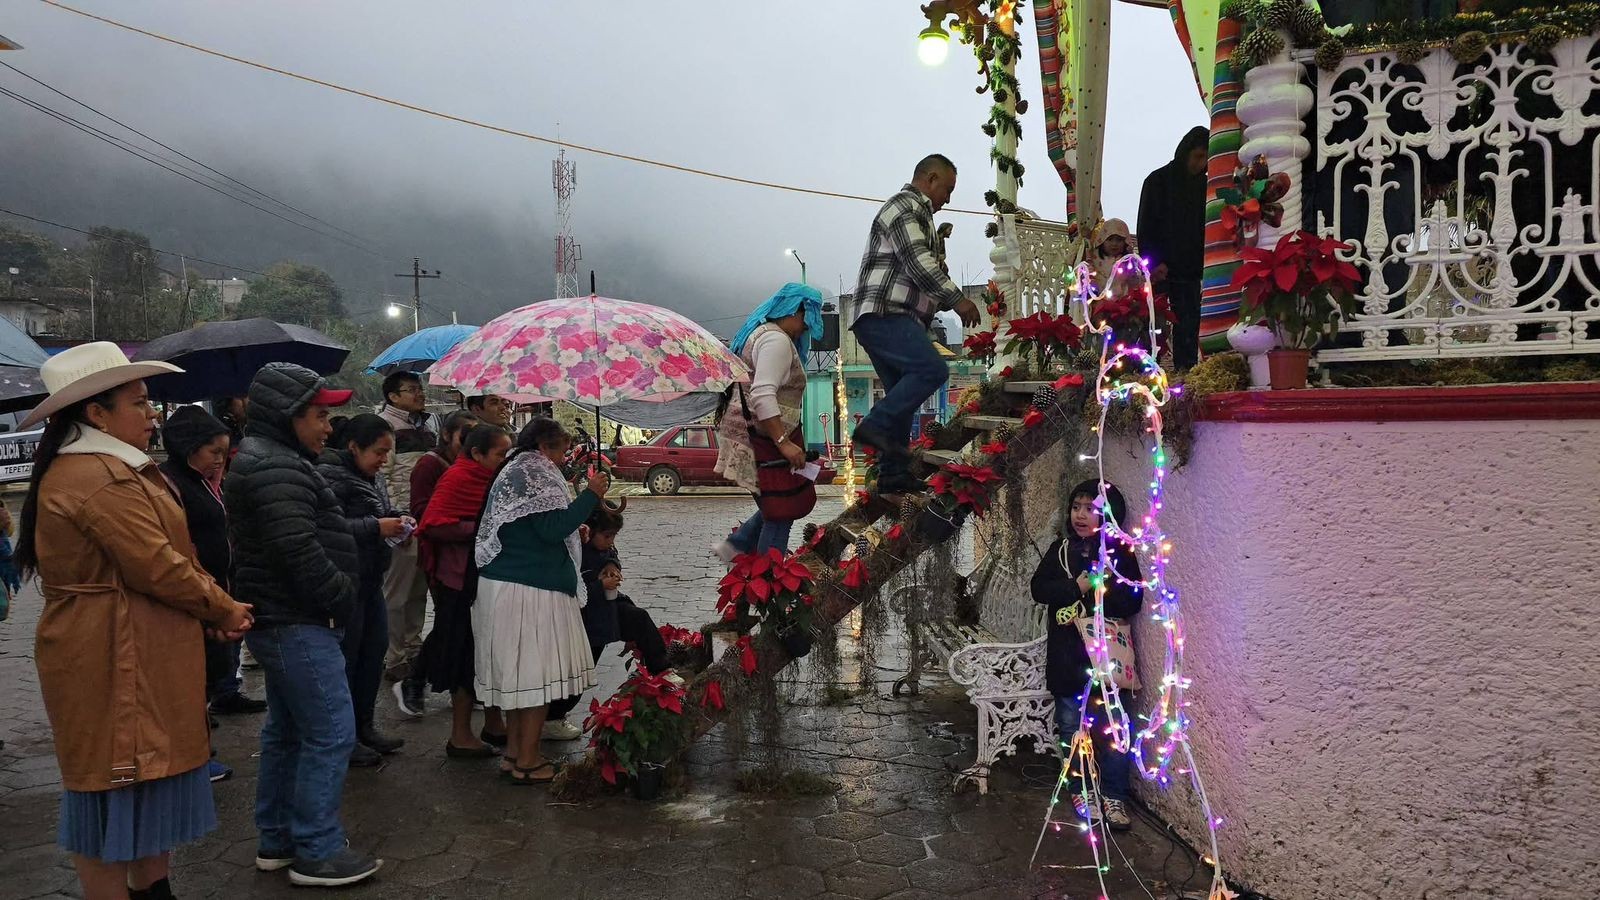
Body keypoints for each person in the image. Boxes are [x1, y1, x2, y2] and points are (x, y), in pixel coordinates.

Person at [15, 342, 253, 900]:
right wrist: (220, 607)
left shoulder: (106, 466)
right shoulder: (98, 475)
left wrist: (207, 610)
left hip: (132, 641)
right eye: (140, 403)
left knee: (143, 780)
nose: (152, 416)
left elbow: (168, 560)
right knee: (114, 780)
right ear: (96, 414)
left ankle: (151, 887)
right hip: (112, 650)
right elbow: (158, 565)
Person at [224, 362, 382, 888]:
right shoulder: (276, 466)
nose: (327, 427)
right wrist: (342, 595)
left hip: (287, 618)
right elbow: (298, 551)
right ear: (287, 416)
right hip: (297, 620)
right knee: (333, 731)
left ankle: (278, 839)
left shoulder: (278, 459)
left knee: (287, 732)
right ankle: (316, 849)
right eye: (318, 415)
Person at [473, 418, 608, 785]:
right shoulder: (536, 470)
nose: (564, 459)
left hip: (508, 585)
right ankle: (529, 761)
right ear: (545, 447)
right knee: (535, 679)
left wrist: (573, 523)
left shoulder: (516, 468)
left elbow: (541, 524)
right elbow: (550, 530)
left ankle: (515, 753)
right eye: (562, 450)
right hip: (528, 590)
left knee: (518, 681)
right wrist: (591, 494)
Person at [849, 154, 982, 496]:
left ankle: (893, 474)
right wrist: (958, 300)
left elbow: (923, 272)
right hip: (885, 313)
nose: (948, 199)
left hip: (889, 316)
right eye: (948, 189)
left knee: (902, 397)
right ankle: (873, 426)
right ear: (931, 179)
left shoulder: (920, 217)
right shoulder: (906, 206)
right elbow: (918, 264)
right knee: (931, 371)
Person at [1030, 479, 1144, 832]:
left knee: (1112, 730)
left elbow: (1133, 600)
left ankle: (1113, 794)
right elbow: (1040, 590)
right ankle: (1082, 790)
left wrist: (1100, 590)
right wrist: (1076, 587)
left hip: (1107, 660)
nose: (1080, 515)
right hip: (1068, 659)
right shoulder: (1060, 550)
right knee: (1071, 727)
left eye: (1090, 509)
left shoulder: (1120, 555)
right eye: (1076, 507)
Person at [407, 424, 512, 752]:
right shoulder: (458, 478)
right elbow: (433, 525)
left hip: (485, 578)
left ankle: (494, 724)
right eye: (499, 454)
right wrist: (481, 529)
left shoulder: (492, 481)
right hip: (459, 581)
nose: (504, 460)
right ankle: (460, 735)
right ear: (477, 453)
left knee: (491, 653)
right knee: (466, 654)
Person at [159, 407, 263, 726]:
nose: (220, 459)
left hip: (219, 586)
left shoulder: (202, 481)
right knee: (195, 675)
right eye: (213, 451)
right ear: (189, 446)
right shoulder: (168, 484)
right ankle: (196, 750)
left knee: (213, 666)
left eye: (223, 452)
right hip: (195, 595)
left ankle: (205, 727)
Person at [317, 414, 410, 768]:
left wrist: (397, 521)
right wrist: (376, 526)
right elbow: (326, 527)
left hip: (372, 579)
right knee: (348, 661)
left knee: (373, 655)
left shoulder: (370, 476)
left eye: (388, 452)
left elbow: (380, 511)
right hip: (345, 581)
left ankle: (365, 726)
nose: (384, 460)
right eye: (378, 452)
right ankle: (346, 737)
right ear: (354, 446)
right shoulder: (329, 475)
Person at [711, 282, 825, 562]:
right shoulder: (776, 341)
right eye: (806, 321)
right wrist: (784, 443)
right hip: (766, 439)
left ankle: (735, 546)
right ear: (796, 311)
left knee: (775, 501)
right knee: (781, 511)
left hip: (756, 435)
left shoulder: (760, 334)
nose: (805, 329)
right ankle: (769, 585)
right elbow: (763, 394)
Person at [546, 505, 669, 735]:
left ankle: (662, 673)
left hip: (609, 610)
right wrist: (599, 585)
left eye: (614, 536)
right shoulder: (574, 552)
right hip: (586, 620)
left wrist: (613, 566)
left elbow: (611, 554)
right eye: (607, 536)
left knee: (639, 619)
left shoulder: (603, 548)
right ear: (587, 532)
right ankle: (551, 717)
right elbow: (572, 589)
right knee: (579, 672)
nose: (611, 541)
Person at [393, 409, 477, 715]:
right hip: (442, 559)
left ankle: (463, 683)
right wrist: (468, 523)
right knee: (448, 624)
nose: (469, 442)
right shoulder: (430, 465)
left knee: (462, 625)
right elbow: (423, 512)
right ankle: (416, 680)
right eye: (463, 436)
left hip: (471, 559)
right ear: (446, 435)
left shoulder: (473, 465)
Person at [375, 372, 440, 690]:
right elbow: (381, 478)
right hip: (400, 522)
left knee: (418, 592)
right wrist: (392, 519)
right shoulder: (385, 428)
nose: (419, 394)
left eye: (420, 389)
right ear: (392, 396)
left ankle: (414, 651)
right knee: (396, 594)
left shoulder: (427, 426)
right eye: (411, 390)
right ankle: (394, 657)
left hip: (424, 520)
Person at [1138, 126, 1210, 371]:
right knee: (1154, 327)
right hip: (1162, 271)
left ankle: (1185, 376)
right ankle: (1148, 374)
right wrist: (1154, 262)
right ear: (1185, 152)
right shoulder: (1157, 181)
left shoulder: (1205, 187)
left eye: (1206, 159)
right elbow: (1146, 225)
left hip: (1190, 272)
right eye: (1198, 156)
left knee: (1188, 326)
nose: (1201, 164)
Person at [1088, 218, 1136, 293]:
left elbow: (1135, 282)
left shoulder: (1128, 261)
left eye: (1119, 240)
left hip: (1123, 301)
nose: (1114, 244)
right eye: (1110, 239)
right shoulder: (1094, 260)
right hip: (1098, 300)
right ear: (1102, 240)